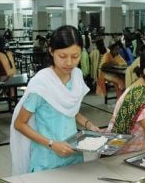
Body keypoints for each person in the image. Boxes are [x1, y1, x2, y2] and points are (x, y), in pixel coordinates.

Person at [10, 25, 101, 174]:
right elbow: (19, 124)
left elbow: (70, 111)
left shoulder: (76, 76)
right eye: (63, 56)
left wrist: (89, 125)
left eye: (75, 56)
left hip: (74, 153)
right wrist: (51, 144)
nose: (69, 63)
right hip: (47, 158)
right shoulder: (42, 84)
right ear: (51, 51)